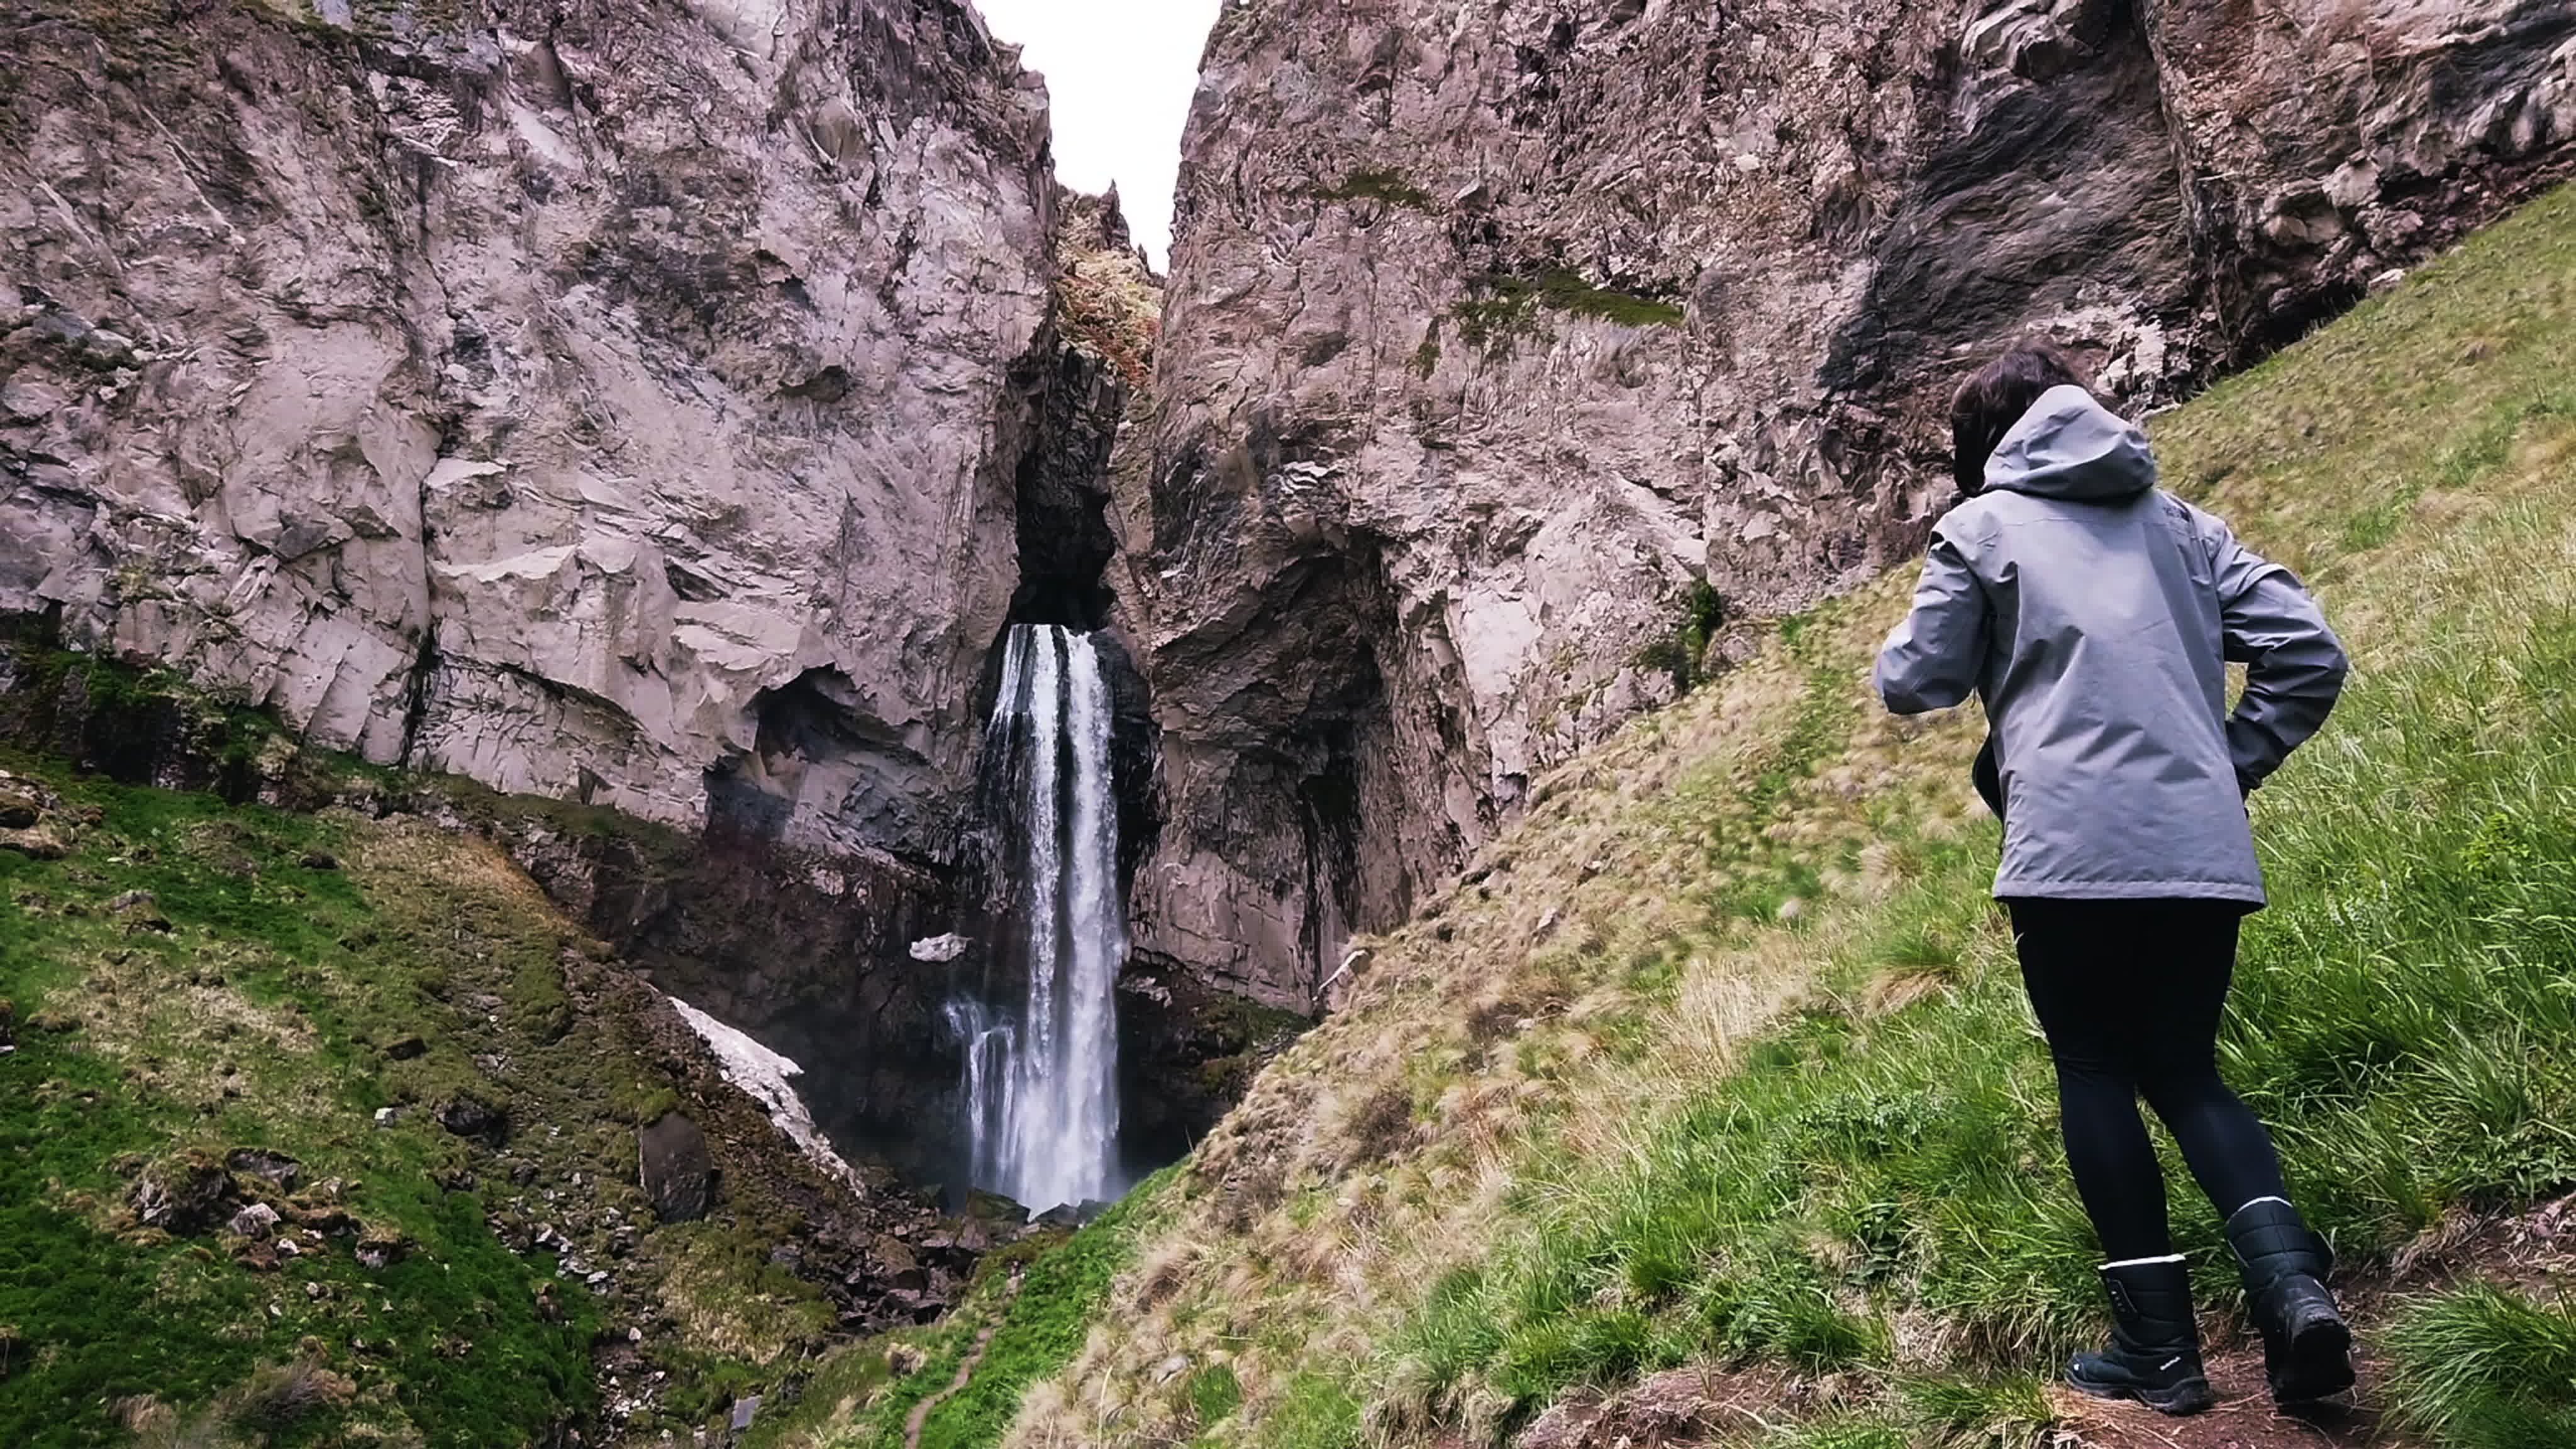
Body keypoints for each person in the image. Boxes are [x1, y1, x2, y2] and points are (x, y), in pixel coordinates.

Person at [1873, 342, 2353, 1416]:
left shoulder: (1983, 528)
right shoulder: (2183, 524)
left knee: (2093, 1067)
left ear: (1982, 445)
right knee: (2187, 1068)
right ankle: (2291, 1293)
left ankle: (2161, 1355)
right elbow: (2310, 650)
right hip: (2199, 850)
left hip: (2070, 855)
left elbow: (1918, 680)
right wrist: (2228, 768)